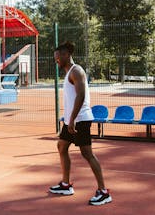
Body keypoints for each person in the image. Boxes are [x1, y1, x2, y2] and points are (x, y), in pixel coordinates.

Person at [48, 41, 112, 206]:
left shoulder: (76, 71)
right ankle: (65, 184)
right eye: (55, 58)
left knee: (87, 154)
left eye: (58, 57)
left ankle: (103, 192)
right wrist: (69, 119)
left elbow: (81, 95)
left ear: (66, 55)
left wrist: (72, 120)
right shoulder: (69, 71)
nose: (56, 60)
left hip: (80, 120)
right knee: (62, 146)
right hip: (72, 120)